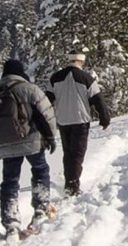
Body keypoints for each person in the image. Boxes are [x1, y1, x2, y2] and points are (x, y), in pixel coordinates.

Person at [0, 59, 57, 238]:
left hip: (6, 145)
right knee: (40, 170)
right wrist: (50, 136)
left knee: (10, 180)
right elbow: (47, 114)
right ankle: (41, 206)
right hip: (32, 141)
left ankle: (10, 220)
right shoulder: (30, 89)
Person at [46, 51, 110, 197]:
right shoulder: (87, 78)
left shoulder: (55, 78)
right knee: (78, 153)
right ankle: (72, 185)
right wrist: (104, 118)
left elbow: (47, 99)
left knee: (68, 153)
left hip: (62, 120)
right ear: (81, 62)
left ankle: (69, 180)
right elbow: (98, 99)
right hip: (80, 120)